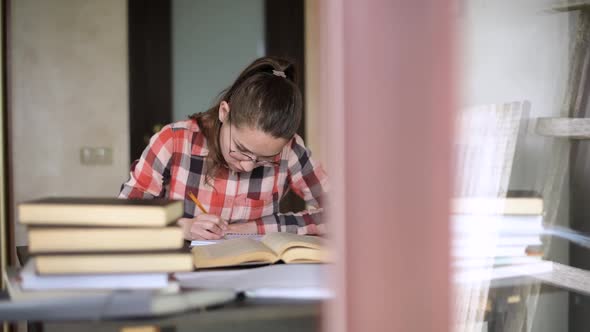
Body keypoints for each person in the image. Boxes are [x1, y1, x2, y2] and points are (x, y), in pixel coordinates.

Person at [119, 56, 327, 240]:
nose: (247, 166)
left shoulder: (290, 150)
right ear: (224, 112)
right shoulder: (173, 141)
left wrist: (254, 228)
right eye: (240, 149)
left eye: (264, 159)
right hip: (184, 269)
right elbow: (125, 214)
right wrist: (183, 227)